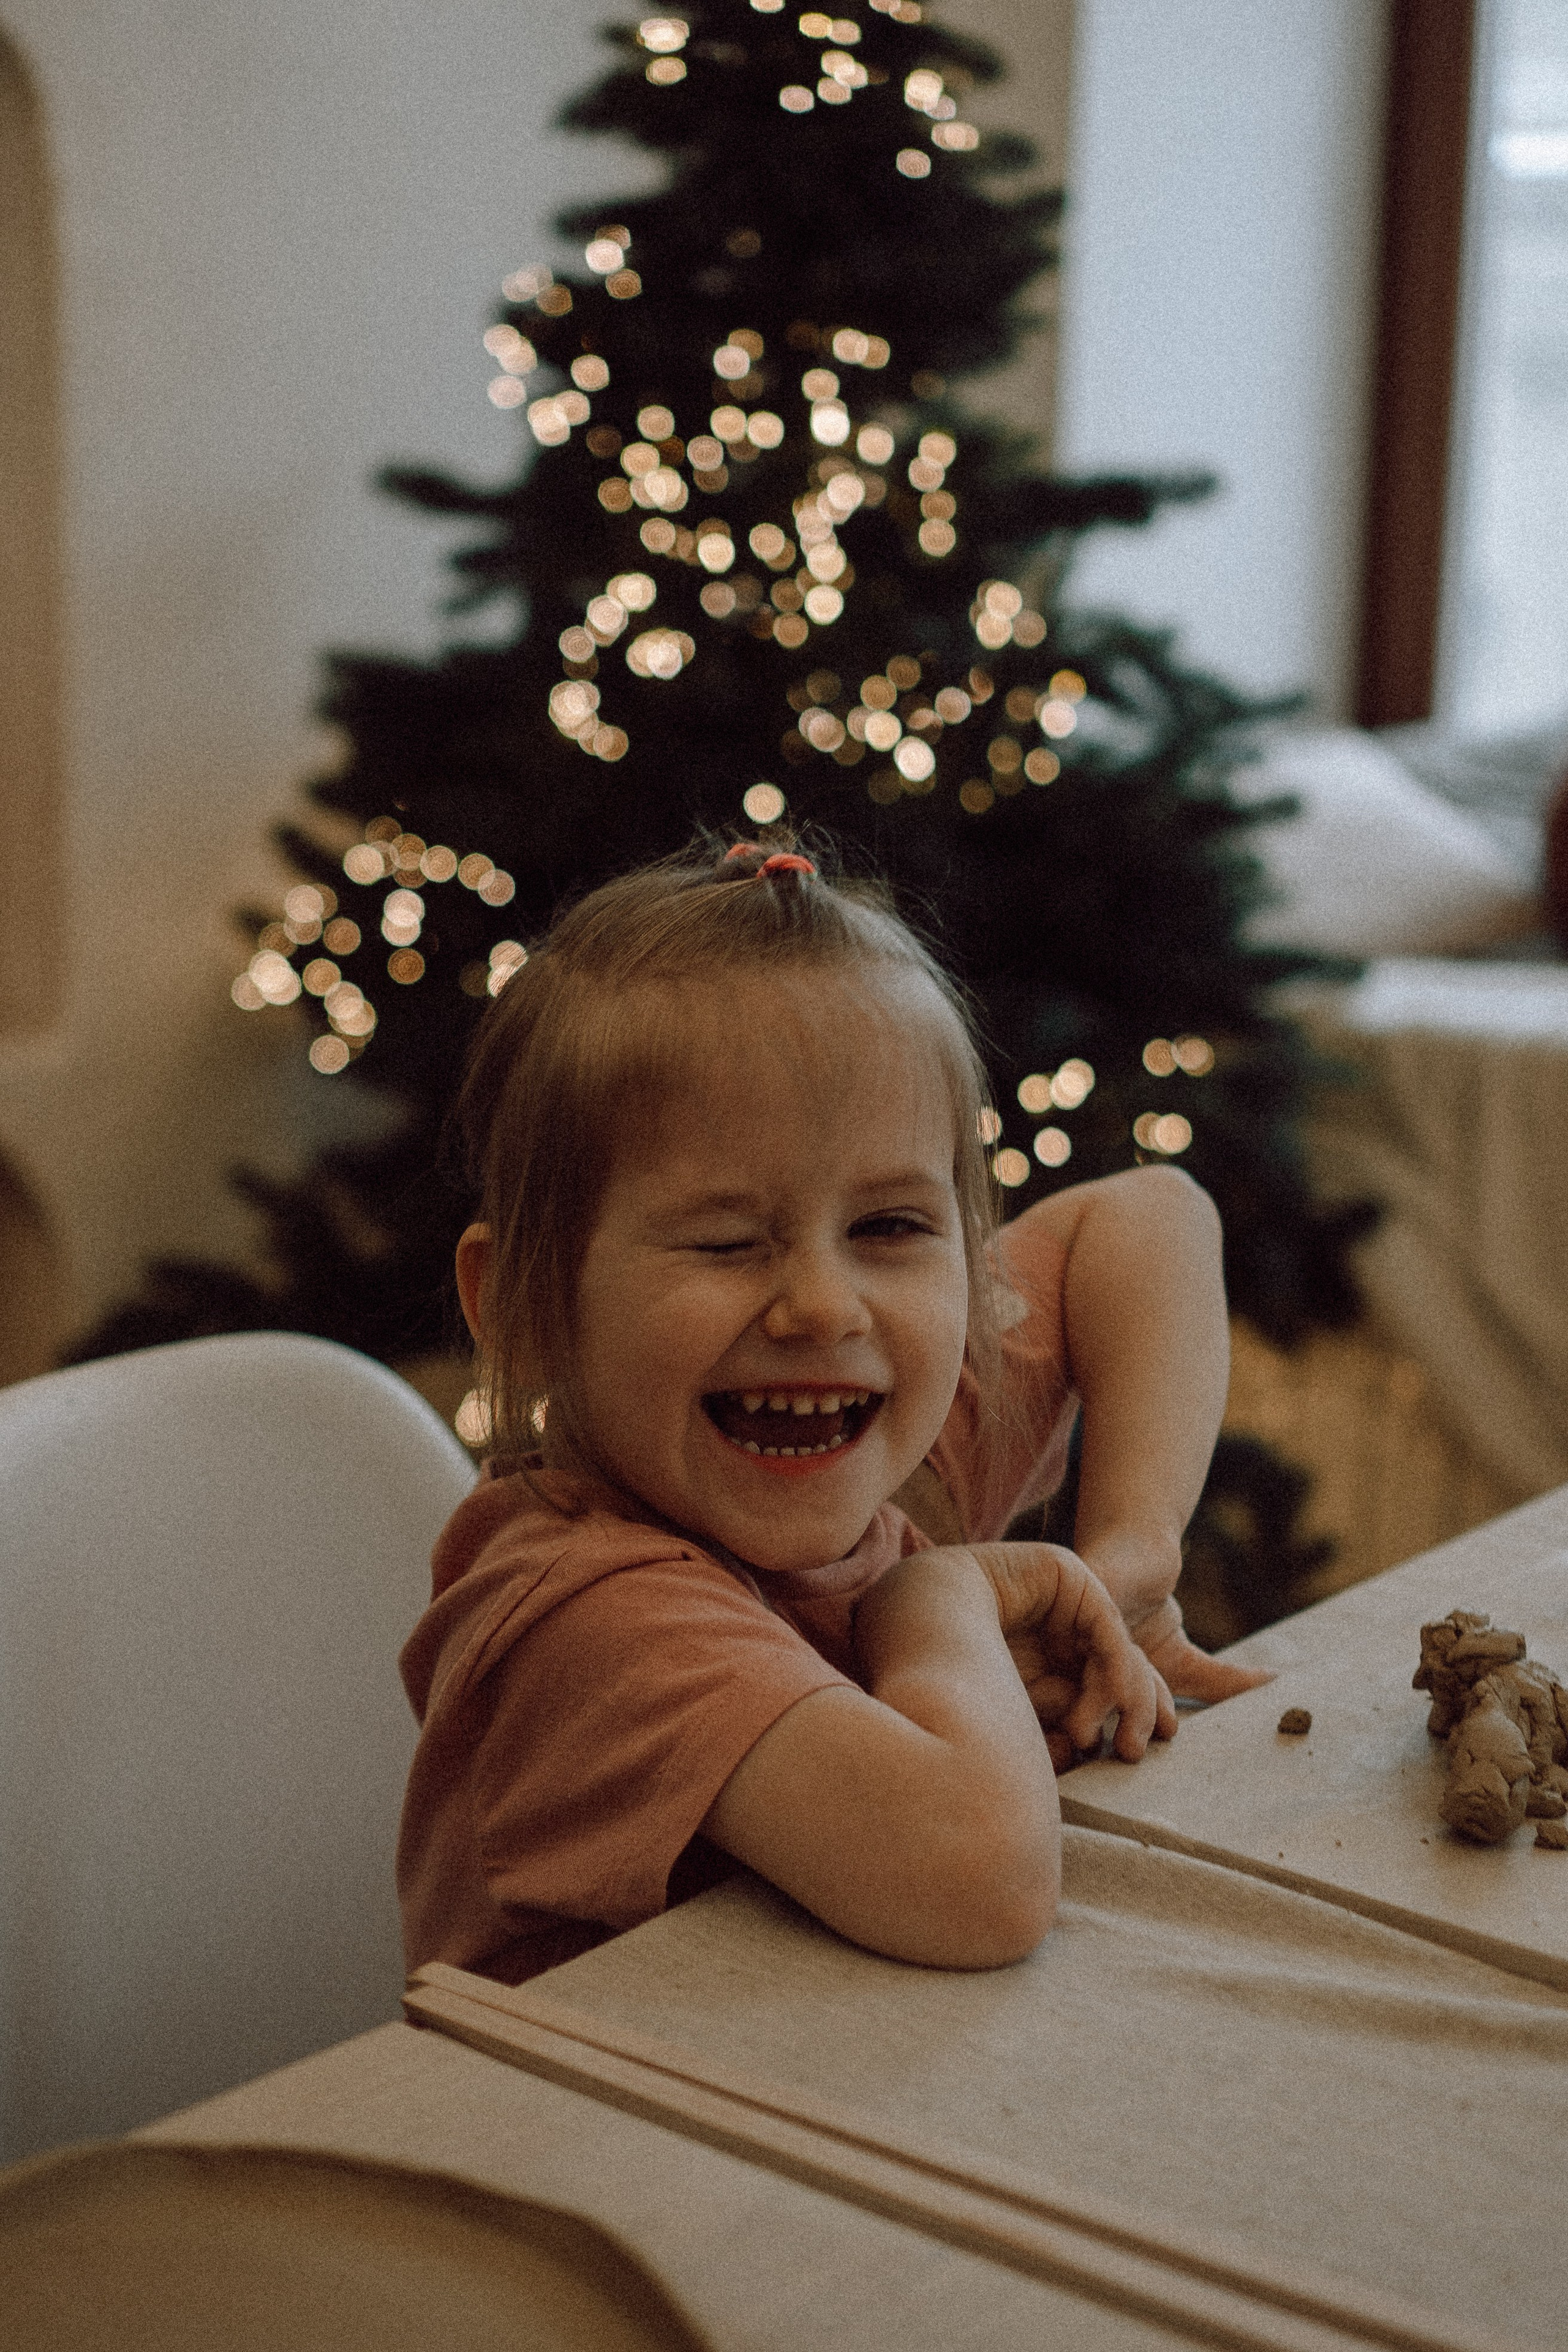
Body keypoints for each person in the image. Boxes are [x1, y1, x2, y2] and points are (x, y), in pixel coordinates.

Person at [397, 836, 1269, 1986]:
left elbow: (1155, 1217)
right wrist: (940, 1598)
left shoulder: (877, 1455)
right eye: (725, 1241)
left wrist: (1129, 1559)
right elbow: (986, 1883)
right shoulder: (587, 1615)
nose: (822, 1306)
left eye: (892, 1229)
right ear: (525, 1305)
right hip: (575, 2153)